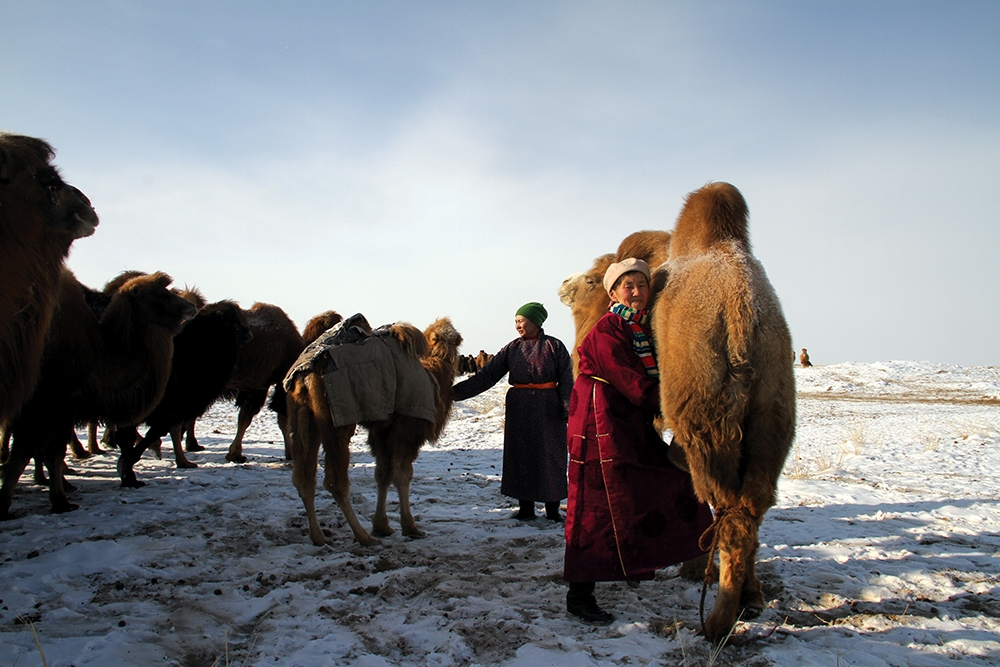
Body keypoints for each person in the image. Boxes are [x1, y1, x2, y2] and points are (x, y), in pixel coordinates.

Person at [563, 258, 713, 625]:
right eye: (627, 286)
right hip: (600, 428)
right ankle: (579, 596)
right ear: (612, 293)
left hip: (621, 424)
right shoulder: (608, 329)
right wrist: (680, 405)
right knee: (596, 508)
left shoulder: (636, 331)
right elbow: (631, 381)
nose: (635, 292)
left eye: (641, 286)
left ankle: (635, 564)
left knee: (642, 490)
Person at [452, 302, 573, 521]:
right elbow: (487, 376)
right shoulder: (512, 348)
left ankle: (553, 509)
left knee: (550, 456)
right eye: (515, 321)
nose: (517, 325)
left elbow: (566, 380)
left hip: (549, 409)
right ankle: (525, 508)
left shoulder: (555, 346)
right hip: (520, 408)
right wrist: (452, 394)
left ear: (535, 321)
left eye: (521, 320)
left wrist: (567, 411)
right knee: (521, 455)